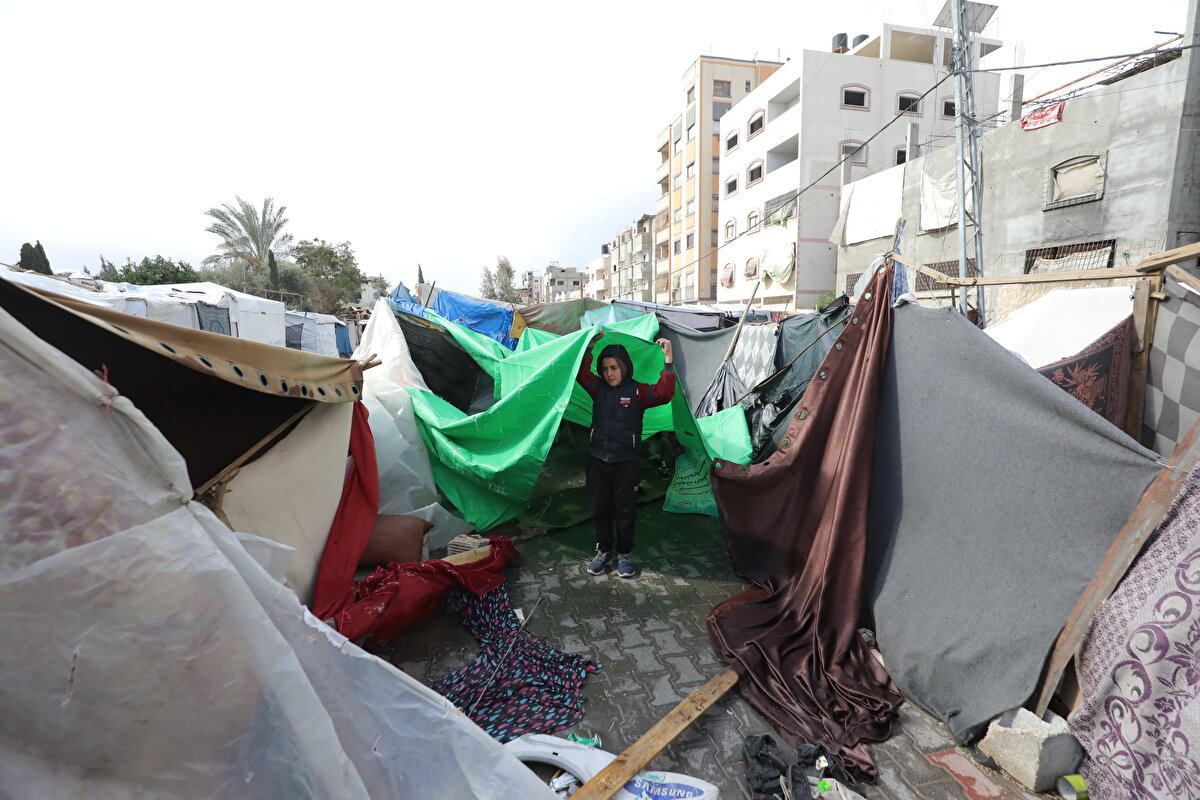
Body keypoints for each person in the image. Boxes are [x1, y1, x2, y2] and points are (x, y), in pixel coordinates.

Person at [575, 332, 675, 578]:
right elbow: (580, 374)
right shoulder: (598, 388)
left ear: (625, 367)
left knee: (625, 512)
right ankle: (603, 552)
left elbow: (664, 393)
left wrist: (668, 361)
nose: (609, 373)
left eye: (614, 367)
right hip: (598, 461)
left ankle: (624, 555)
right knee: (599, 510)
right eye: (606, 368)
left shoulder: (637, 392)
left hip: (626, 465)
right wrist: (588, 348)